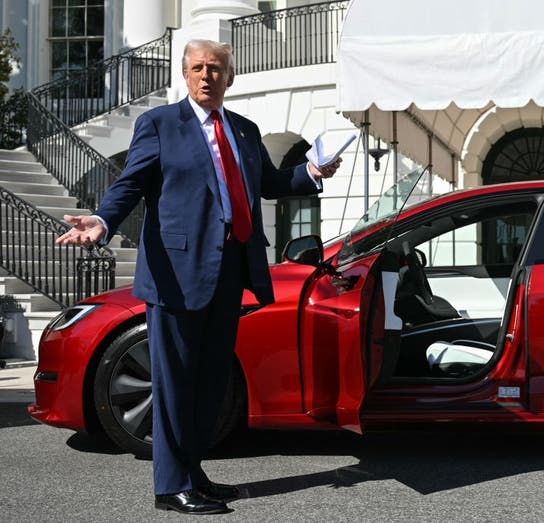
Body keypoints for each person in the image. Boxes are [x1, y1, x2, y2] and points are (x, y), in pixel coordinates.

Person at [56, 39, 340, 515]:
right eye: (198, 67)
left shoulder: (246, 131)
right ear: (185, 74)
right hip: (177, 273)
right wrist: (102, 222)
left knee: (210, 384)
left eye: (216, 68)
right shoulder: (160, 124)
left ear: (230, 77)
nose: (207, 75)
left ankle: (194, 472)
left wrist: (311, 171)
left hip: (232, 269)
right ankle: (170, 487)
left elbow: (270, 185)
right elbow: (130, 185)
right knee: (174, 383)